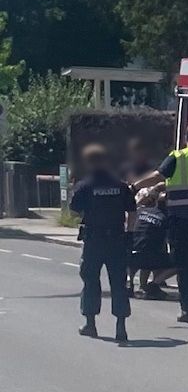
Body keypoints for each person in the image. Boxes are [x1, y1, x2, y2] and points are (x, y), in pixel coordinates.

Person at [134, 123, 188, 322]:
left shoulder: (178, 157)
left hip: (181, 220)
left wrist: (135, 186)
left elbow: (158, 176)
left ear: (186, 138)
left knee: (183, 262)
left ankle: (187, 308)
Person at [69, 144, 135, 342]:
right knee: (118, 283)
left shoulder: (85, 185)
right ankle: (120, 327)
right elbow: (132, 211)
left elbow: (73, 210)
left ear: (89, 162)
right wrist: (130, 234)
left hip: (94, 240)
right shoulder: (121, 185)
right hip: (117, 239)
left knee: (90, 281)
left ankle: (90, 324)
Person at [130, 185, 176, 300]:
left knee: (143, 250)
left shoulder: (141, 211)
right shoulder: (167, 219)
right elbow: (169, 240)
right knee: (179, 261)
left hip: (131, 255)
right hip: (149, 257)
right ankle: (153, 285)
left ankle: (130, 282)